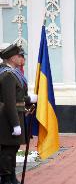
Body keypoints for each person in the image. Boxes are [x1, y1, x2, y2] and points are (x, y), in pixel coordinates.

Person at [0, 43, 37, 184]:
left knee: (12, 149)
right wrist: (15, 124)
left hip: (15, 115)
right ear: (11, 58)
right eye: (19, 56)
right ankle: (6, 179)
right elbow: (9, 102)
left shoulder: (13, 74)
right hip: (8, 119)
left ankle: (10, 176)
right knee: (8, 150)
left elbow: (17, 97)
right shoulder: (8, 75)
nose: (22, 59)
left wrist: (28, 99)